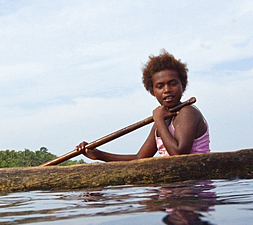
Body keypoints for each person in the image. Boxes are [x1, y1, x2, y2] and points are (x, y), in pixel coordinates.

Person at [75, 51, 210, 161]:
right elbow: (140, 158)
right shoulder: (163, 119)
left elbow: (179, 155)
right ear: (152, 91)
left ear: (183, 85)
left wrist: (159, 121)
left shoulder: (188, 113)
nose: (167, 89)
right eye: (160, 86)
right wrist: (99, 155)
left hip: (196, 189)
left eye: (172, 83)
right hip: (174, 189)